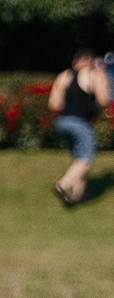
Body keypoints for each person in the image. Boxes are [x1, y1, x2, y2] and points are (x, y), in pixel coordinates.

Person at [49, 48, 108, 206]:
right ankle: (64, 184)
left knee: (78, 158)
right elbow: (103, 100)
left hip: (62, 122)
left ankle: (79, 195)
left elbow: (54, 103)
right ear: (90, 60)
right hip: (81, 123)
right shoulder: (93, 74)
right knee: (86, 159)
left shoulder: (64, 76)